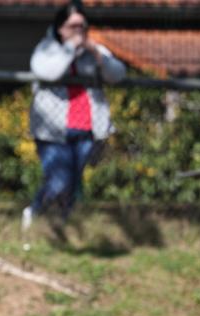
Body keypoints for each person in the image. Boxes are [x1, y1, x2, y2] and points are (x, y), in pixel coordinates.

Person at [23, 0, 125, 231]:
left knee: (72, 182)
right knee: (59, 179)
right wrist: (70, 48)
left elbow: (118, 74)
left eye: (82, 26)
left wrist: (97, 54)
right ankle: (34, 213)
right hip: (53, 130)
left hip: (87, 127)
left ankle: (60, 225)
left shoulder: (94, 50)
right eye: (73, 26)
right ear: (60, 28)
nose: (79, 31)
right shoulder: (47, 49)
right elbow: (48, 72)